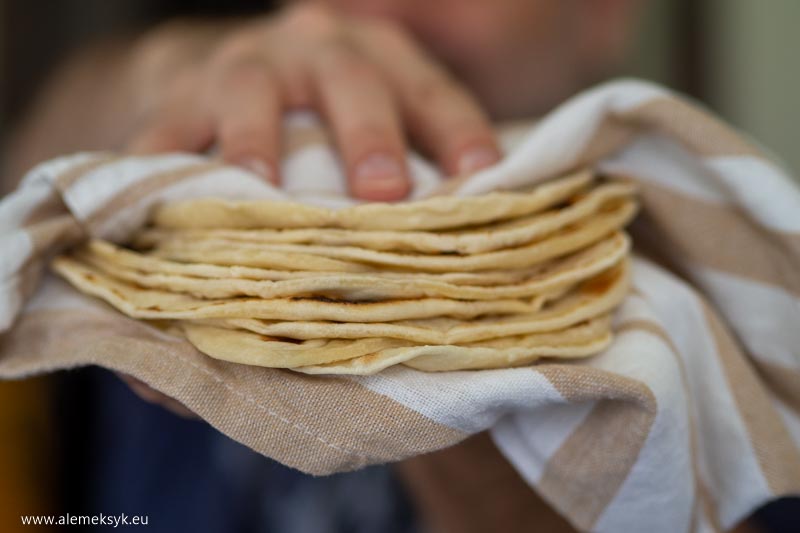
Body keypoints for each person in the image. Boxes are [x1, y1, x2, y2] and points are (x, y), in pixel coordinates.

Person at [3, 2, 648, 532]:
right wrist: (164, 77)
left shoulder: (694, 292)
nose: (375, 14)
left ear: (604, 12)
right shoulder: (184, 207)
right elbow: (25, 188)